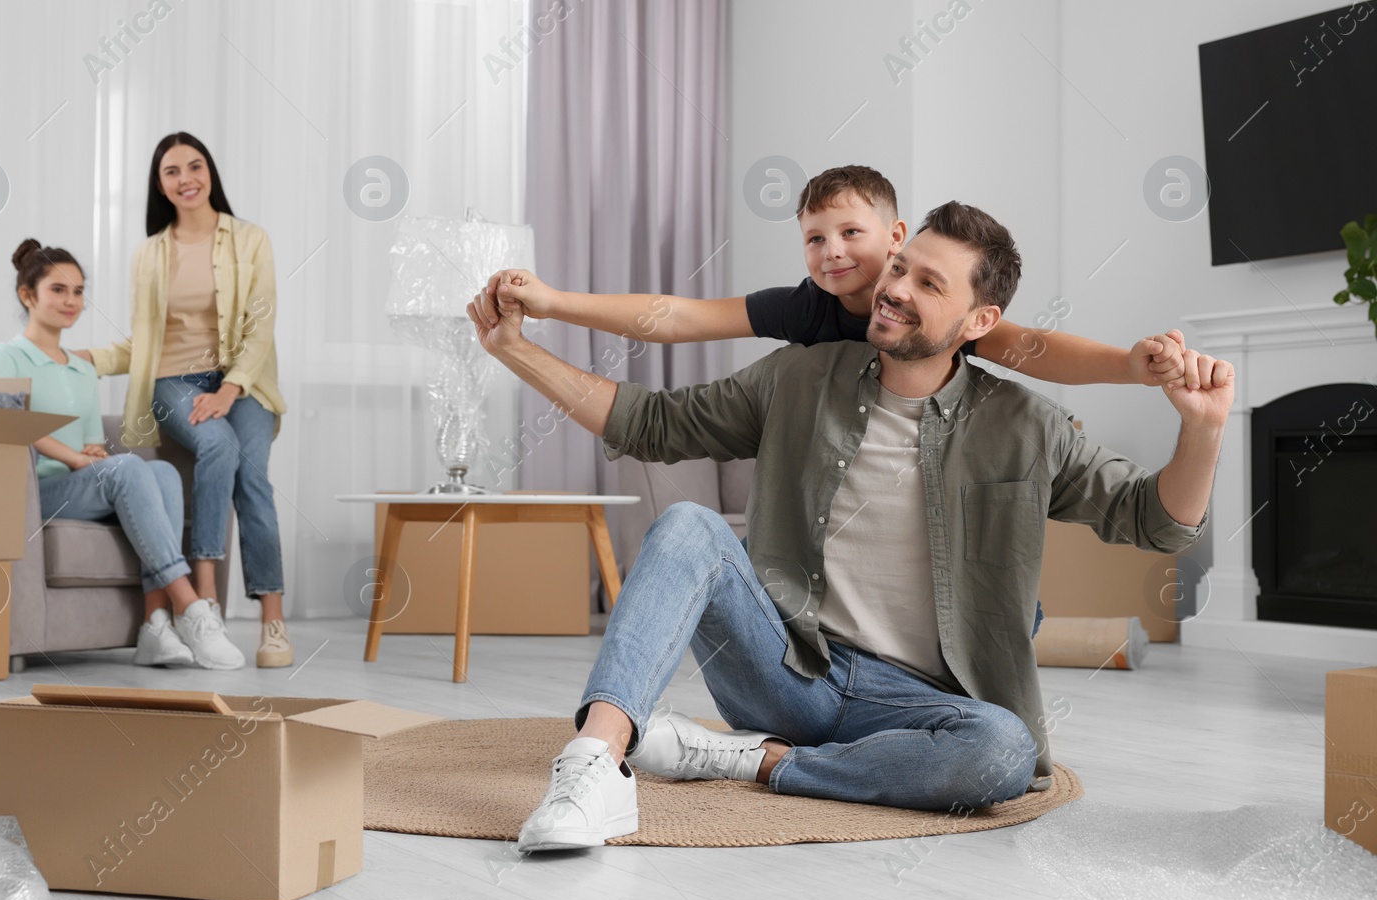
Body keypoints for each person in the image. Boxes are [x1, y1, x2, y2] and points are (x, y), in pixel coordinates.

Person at [467, 201, 1234, 852]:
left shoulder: (1026, 424)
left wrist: (1200, 431)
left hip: (918, 700)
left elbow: (1155, 523)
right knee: (690, 526)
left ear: (980, 321)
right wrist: (515, 349)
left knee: (1004, 751)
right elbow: (652, 422)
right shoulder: (801, 376)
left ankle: (753, 764)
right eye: (901, 268)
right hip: (790, 668)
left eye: (926, 284)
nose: (893, 290)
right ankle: (596, 766)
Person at [479, 164, 1187, 385]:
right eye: (814, 238)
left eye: (852, 232)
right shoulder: (807, 307)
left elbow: (1034, 349)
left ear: (897, 235)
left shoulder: (943, 317)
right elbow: (680, 316)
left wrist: (1132, 363)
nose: (832, 251)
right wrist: (552, 301)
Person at [77, 133, 293, 669]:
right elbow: (144, 341)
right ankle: (206, 602)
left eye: (195, 167)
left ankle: (273, 621)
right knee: (217, 445)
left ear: (210, 172)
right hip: (174, 381)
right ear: (160, 184)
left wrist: (229, 388)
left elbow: (260, 325)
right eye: (172, 171)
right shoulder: (149, 254)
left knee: (254, 479)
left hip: (245, 382)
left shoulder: (250, 240)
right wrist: (90, 358)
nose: (186, 178)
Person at [0, 240, 246, 670]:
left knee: (161, 472)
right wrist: (72, 457)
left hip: (78, 487)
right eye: (58, 290)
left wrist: (91, 452)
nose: (71, 301)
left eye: (78, 291)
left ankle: (155, 626)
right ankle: (191, 609)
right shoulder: (5, 356)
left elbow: (91, 444)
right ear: (27, 296)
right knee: (128, 467)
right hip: (33, 494)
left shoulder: (84, 369)